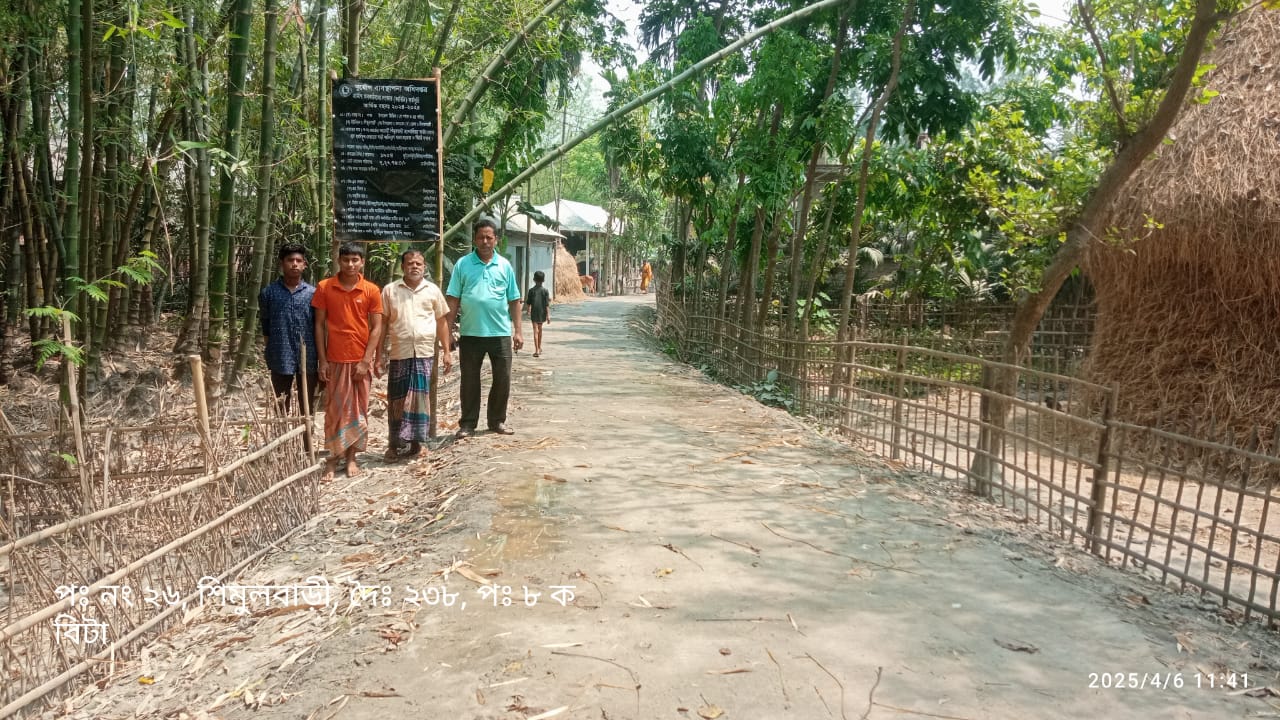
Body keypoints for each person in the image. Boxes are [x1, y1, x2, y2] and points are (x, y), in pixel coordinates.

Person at [311, 242, 383, 479]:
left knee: (358, 411)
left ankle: (352, 457)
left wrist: (366, 360)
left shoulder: (371, 290)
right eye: (346, 260)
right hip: (334, 359)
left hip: (360, 361)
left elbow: (376, 328)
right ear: (339, 261)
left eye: (355, 260)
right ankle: (332, 459)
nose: (350, 264)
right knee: (334, 411)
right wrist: (322, 360)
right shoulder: (325, 287)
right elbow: (319, 325)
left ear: (362, 262)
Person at [446, 218, 523, 438]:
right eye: (481, 237)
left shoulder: (504, 266)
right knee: (469, 380)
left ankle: (497, 421)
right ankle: (468, 424)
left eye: (489, 237)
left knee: (503, 378)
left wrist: (518, 331)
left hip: (500, 333)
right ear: (475, 239)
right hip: (470, 333)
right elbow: (453, 299)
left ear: (496, 240)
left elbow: (514, 300)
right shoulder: (463, 264)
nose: (485, 241)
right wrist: (448, 331)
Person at [378, 249, 453, 461]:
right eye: (410, 263)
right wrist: (378, 354)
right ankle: (394, 446)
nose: (414, 266)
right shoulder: (390, 291)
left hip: (424, 353)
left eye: (418, 263)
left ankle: (416, 445)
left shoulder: (432, 290)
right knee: (397, 400)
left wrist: (447, 351)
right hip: (399, 352)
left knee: (419, 400)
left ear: (424, 267)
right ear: (403, 267)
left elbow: (441, 322)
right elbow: (382, 324)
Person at [259, 243, 318, 414]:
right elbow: (266, 326)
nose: (294, 264)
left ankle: (306, 431)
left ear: (304, 265)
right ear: (281, 263)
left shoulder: (314, 294)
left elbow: (319, 326)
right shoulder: (268, 293)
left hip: (308, 356)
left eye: (299, 261)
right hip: (280, 355)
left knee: (307, 404)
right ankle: (281, 430)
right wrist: (270, 351)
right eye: (290, 260)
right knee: (280, 402)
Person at [524, 270, 550, 358]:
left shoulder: (531, 291)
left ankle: (536, 350)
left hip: (534, 312)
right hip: (542, 312)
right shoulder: (545, 291)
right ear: (543, 280)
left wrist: (528, 311)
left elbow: (528, 303)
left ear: (534, 280)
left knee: (535, 331)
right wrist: (548, 316)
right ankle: (539, 347)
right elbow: (547, 304)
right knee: (540, 329)